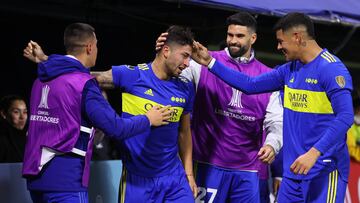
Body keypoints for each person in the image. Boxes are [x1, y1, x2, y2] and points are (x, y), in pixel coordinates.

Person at [192, 12, 354, 202]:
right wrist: (209, 62)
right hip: (294, 173)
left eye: (281, 41)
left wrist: (314, 153)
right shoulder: (289, 70)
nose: (278, 47)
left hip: (324, 170)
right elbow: (250, 85)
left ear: (297, 37)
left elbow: (345, 117)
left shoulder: (332, 69)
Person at [26, 25, 197, 203]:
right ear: (166, 51)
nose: (187, 64)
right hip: (137, 179)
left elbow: (184, 133)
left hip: (175, 179)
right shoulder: (131, 75)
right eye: (185, 56)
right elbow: (84, 78)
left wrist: (189, 173)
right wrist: (47, 60)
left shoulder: (185, 87)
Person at [156, 12, 283, 203]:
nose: (233, 41)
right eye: (230, 35)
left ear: (253, 38)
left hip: (247, 171)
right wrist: (164, 53)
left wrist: (272, 144)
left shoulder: (267, 75)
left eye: (239, 36)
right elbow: (170, 72)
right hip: (207, 166)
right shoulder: (202, 62)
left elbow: (277, 122)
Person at [0, 95, 28, 163]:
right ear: (4, 114)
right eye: (16, 112)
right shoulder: (2, 139)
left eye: (25, 112)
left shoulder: (29, 137)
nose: (22, 117)